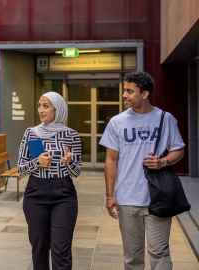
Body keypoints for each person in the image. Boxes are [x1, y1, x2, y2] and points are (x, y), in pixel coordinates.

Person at [100, 71, 185, 270]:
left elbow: (178, 149)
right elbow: (111, 160)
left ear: (145, 94)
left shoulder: (166, 119)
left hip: (159, 197)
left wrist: (163, 162)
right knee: (132, 257)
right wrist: (110, 195)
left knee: (159, 253)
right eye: (124, 91)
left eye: (129, 91)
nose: (124, 96)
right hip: (127, 198)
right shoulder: (117, 122)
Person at [18, 92, 82, 270]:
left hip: (63, 194)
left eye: (46, 106)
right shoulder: (32, 134)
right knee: (39, 248)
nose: (40, 110)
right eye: (39, 105)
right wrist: (37, 162)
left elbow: (76, 172)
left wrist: (69, 162)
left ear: (58, 109)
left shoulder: (71, 135)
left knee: (61, 249)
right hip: (36, 193)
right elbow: (21, 168)